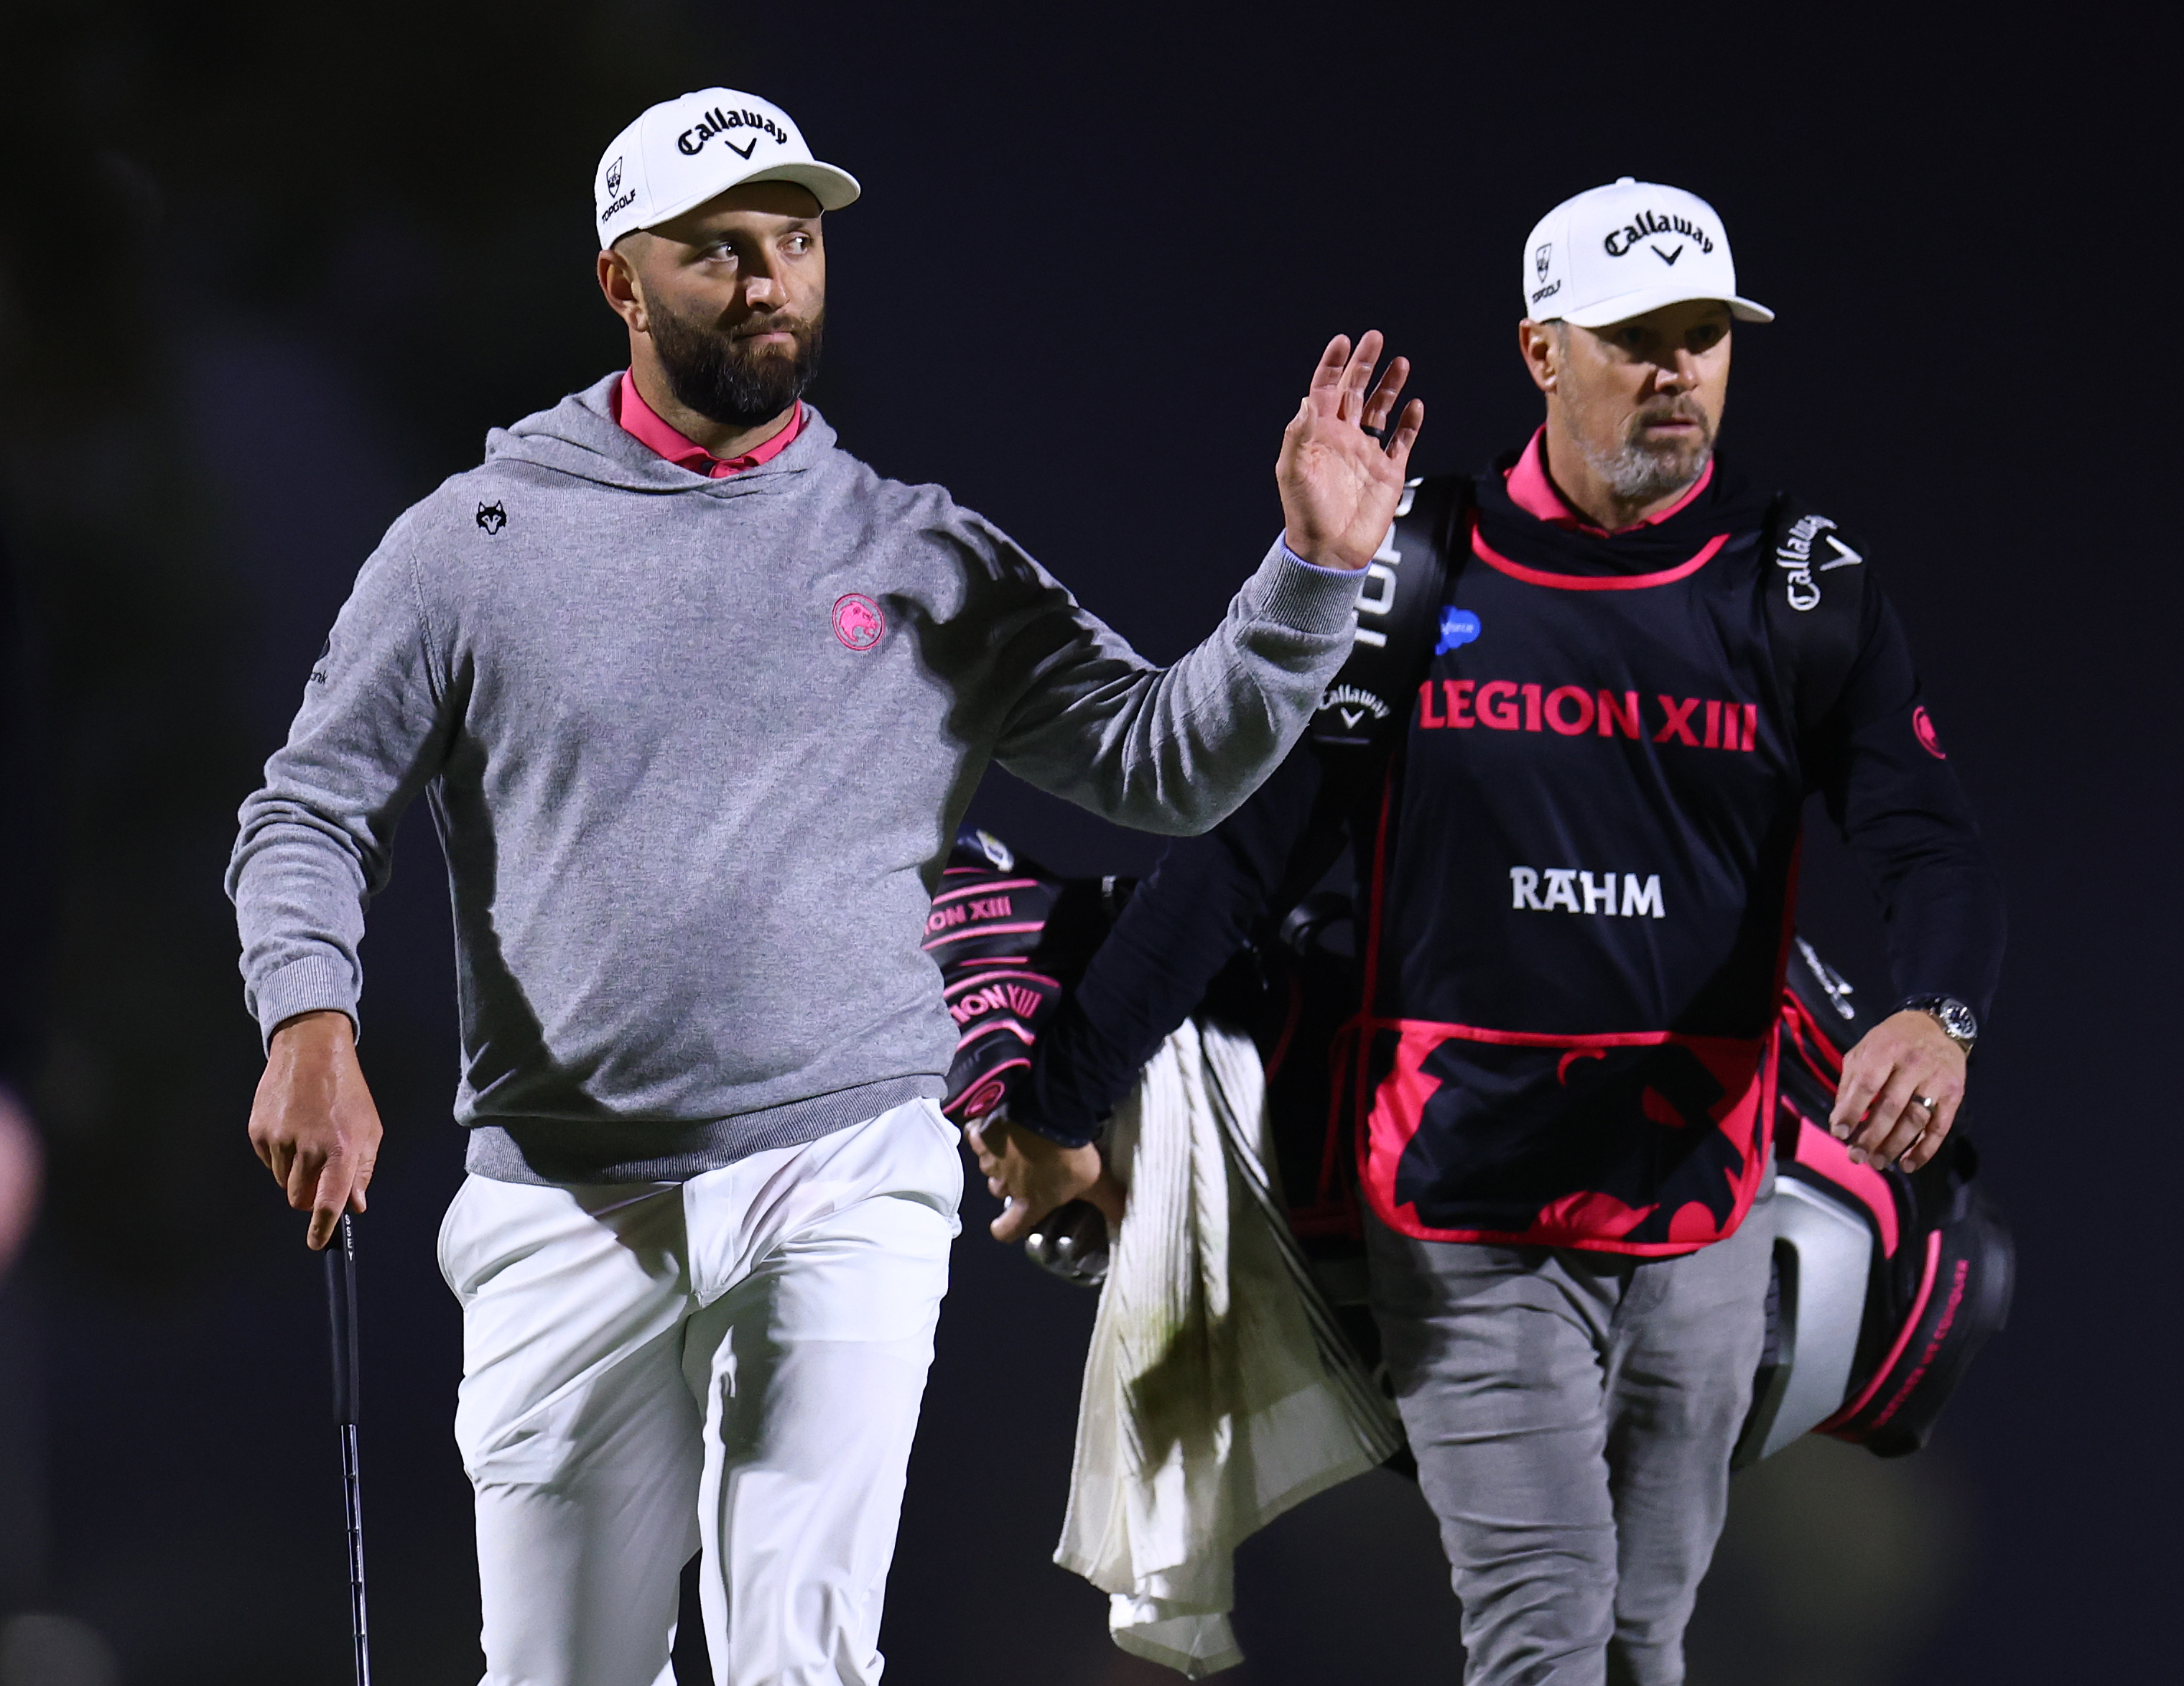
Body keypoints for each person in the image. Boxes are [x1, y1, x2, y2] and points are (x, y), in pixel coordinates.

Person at [228, 85, 1421, 1686]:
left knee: (801, 1650)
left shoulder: (921, 554)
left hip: (847, 1153)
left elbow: (1162, 759)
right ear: (620, 281)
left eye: (794, 242)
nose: (770, 280)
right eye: (718, 250)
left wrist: (1313, 576)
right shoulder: (473, 543)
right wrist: (309, 1015)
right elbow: (308, 805)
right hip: (563, 1188)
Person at [971, 177, 2005, 1685]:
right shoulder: (1412, 577)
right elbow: (1235, 861)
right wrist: (1059, 1103)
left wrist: (1942, 1012)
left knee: (1647, 1639)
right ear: (1540, 350)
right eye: (1635, 337)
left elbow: (1928, 834)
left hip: (1705, 1214)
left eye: (1704, 337)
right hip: (1463, 1214)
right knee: (1543, 1634)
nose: (1676, 372)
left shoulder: (1796, 594)